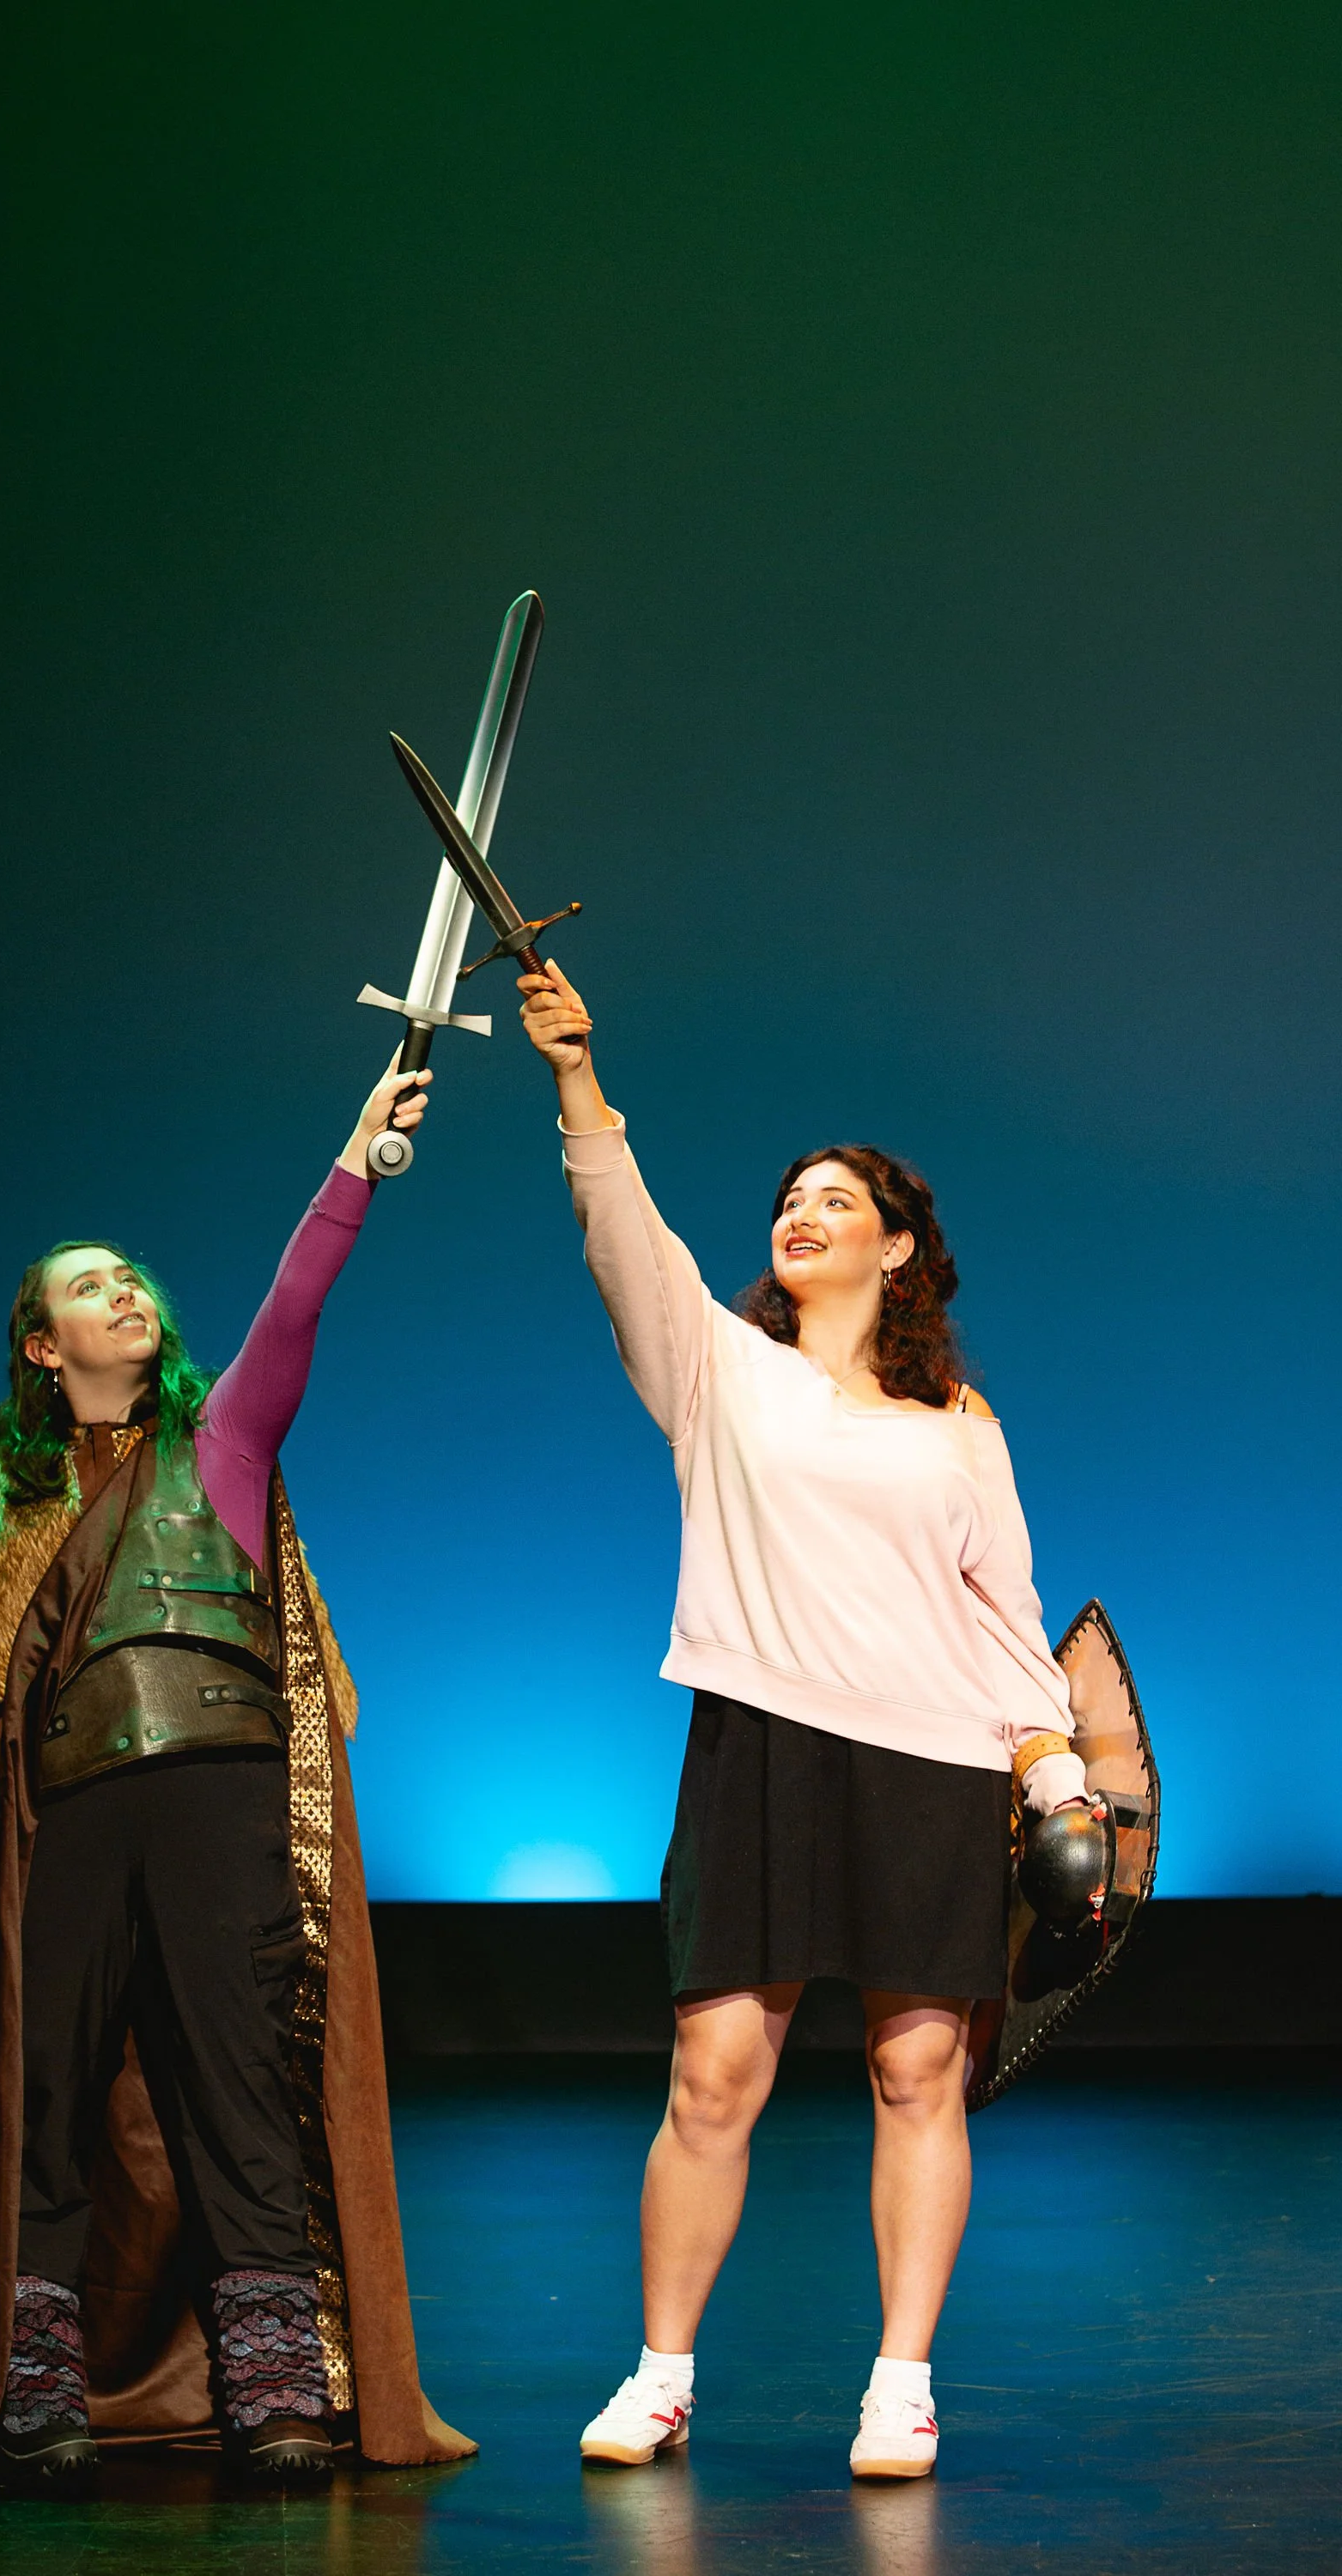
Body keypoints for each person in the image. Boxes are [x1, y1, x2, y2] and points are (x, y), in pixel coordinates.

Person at [0, 1060, 474, 2493]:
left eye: (133, 1276)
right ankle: (39, 2385)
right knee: (48, 2086)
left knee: (237, 2079)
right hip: (73, 1813)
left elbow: (295, 1304)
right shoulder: (0, 1503)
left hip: (223, 1796)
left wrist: (355, 1158)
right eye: (91, 1286)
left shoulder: (224, 1441)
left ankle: (275, 2384)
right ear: (43, 1346)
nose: (126, 1291)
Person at [516, 961, 1088, 2483]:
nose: (804, 1215)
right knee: (714, 2076)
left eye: (840, 1202)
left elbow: (1008, 1618)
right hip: (758, 1749)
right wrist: (576, 1077)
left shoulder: (959, 1428)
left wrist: (1057, 1775)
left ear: (898, 1249)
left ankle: (901, 2386)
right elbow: (622, 1232)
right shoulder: (722, 1371)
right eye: (790, 1199)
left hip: (935, 1764)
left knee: (919, 2075)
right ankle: (660, 2376)